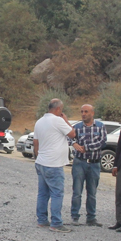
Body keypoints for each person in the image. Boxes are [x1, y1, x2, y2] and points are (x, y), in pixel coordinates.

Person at [33, 98, 76, 233]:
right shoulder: (58, 121)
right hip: (53, 164)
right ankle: (56, 222)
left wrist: (37, 157)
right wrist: (66, 120)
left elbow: (36, 143)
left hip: (41, 162)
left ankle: (42, 220)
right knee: (57, 193)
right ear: (58, 109)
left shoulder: (39, 121)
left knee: (43, 193)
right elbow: (73, 134)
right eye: (61, 110)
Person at [69, 104, 107, 226]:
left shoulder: (100, 127)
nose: (83, 114)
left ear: (92, 113)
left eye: (86, 111)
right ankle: (74, 216)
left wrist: (87, 148)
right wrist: (74, 144)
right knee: (77, 192)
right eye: (82, 112)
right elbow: (68, 137)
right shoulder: (77, 127)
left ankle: (91, 217)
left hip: (94, 164)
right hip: (80, 163)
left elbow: (102, 142)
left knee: (92, 192)